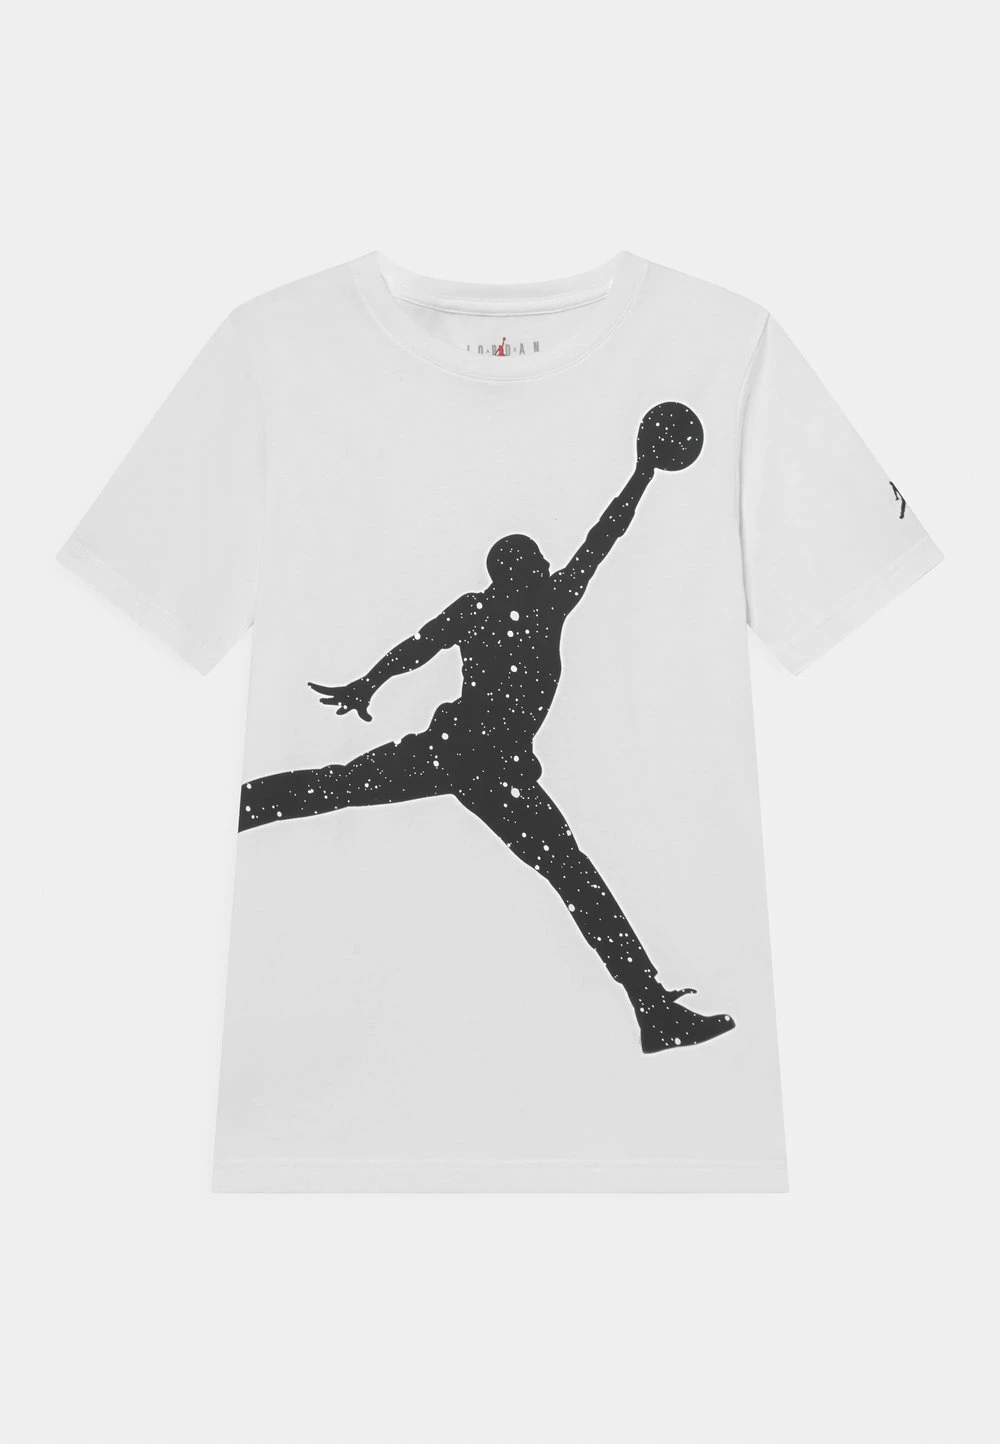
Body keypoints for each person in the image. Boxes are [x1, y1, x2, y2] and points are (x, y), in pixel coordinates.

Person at [240, 403, 735, 1053]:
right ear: (521, 572)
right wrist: (642, 471)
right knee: (573, 876)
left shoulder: (494, 607)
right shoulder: (542, 603)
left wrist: (370, 683)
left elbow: (419, 646)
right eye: (534, 561)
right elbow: (603, 535)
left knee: (340, 786)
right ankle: (653, 1008)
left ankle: (241, 806)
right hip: (486, 763)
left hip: (458, 753)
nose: (543, 565)